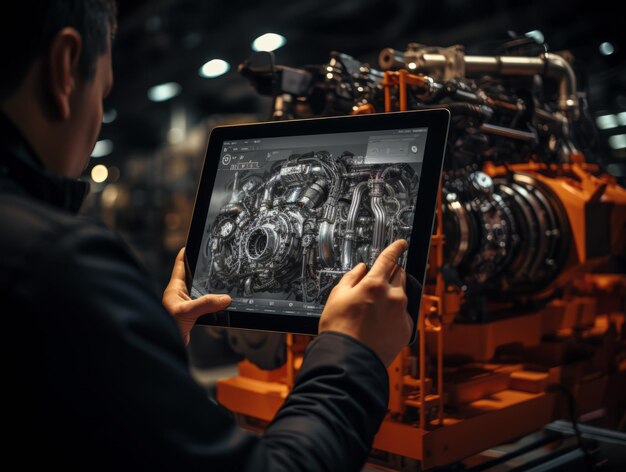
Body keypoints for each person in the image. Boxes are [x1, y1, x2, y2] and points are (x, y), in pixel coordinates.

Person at [1, 1, 413, 470]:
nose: (96, 120)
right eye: (103, 92)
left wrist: (133, 349)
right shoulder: (57, 264)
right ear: (65, 67)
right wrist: (353, 353)